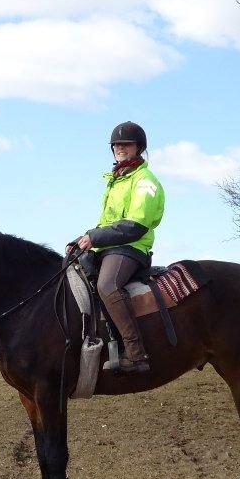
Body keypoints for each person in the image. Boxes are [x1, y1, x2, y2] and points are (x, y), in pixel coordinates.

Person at [67, 121, 165, 374]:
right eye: (117, 144)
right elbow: (107, 222)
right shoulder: (116, 181)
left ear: (139, 148)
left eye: (126, 144)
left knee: (107, 285)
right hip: (109, 247)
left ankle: (135, 352)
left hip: (132, 246)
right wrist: (82, 239)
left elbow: (136, 225)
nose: (120, 148)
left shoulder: (144, 181)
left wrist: (94, 237)